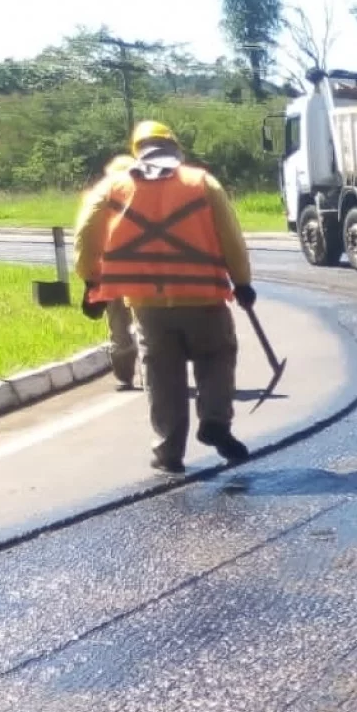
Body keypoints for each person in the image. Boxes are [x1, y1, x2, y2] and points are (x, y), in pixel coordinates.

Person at [75, 120, 256, 474]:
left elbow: (86, 234)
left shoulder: (114, 187)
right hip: (203, 298)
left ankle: (168, 453)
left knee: (161, 376)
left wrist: (90, 280)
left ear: (136, 151)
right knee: (217, 357)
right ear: (175, 148)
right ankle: (215, 420)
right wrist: (242, 281)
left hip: (148, 305)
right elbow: (230, 235)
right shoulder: (202, 183)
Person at [79, 153, 142, 390]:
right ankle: (153, 372)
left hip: (111, 269)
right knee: (147, 320)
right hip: (143, 269)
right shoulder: (146, 193)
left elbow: (86, 234)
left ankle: (125, 373)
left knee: (118, 322)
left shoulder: (102, 196)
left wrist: (88, 273)